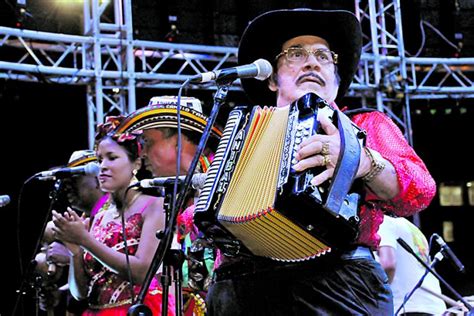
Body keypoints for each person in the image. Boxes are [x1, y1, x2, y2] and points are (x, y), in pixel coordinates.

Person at [203, 8, 437, 315]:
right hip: (241, 288)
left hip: (337, 285)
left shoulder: (366, 125)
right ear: (272, 78)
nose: (312, 61)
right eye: (295, 54)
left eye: (324, 56)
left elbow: (420, 191)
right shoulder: (243, 134)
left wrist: (363, 162)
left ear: (336, 82)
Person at [51, 116, 174, 315]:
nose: (103, 166)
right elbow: (80, 293)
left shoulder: (155, 206)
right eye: (99, 160)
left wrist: (85, 240)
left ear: (136, 163)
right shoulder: (100, 216)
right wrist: (75, 251)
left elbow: (142, 271)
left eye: (112, 157)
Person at [115, 95, 222, 315]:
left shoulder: (220, 185)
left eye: (149, 143)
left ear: (179, 141)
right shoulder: (177, 196)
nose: (143, 153)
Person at [34, 150, 108, 315]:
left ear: (97, 179)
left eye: (74, 179)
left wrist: (72, 256)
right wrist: (60, 292)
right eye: (65, 181)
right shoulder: (83, 220)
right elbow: (88, 288)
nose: (66, 186)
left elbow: (123, 274)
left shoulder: (115, 217)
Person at [377, 215, 447, 315]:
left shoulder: (383, 222)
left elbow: (388, 266)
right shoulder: (412, 228)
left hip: (409, 308)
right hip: (434, 308)